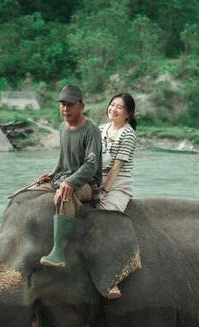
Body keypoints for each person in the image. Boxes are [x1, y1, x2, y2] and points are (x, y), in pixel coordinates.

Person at [38, 85, 102, 268]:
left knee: (64, 196)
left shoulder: (91, 130)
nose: (65, 109)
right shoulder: (62, 127)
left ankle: (58, 252)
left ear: (81, 105)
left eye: (70, 104)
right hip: (63, 177)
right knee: (34, 190)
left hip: (87, 183)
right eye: (62, 104)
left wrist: (71, 182)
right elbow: (62, 159)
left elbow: (91, 166)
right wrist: (52, 175)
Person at [98, 92, 138, 299]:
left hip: (118, 186)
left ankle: (112, 278)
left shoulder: (128, 134)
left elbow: (117, 167)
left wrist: (104, 191)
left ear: (128, 114)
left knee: (105, 220)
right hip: (97, 181)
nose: (113, 109)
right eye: (112, 105)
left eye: (119, 107)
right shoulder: (101, 130)